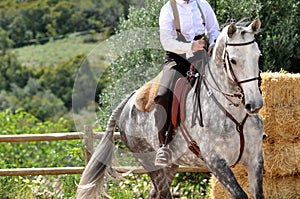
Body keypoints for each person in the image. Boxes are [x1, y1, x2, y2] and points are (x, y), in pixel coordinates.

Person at [154, 0, 220, 166]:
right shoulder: (168, 9)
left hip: (202, 56)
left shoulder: (203, 5)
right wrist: (191, 46)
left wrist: (213, 44)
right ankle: (164, 145)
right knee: (163, 96)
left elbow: (214, 31)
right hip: (177, 58)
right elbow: (166, 42)